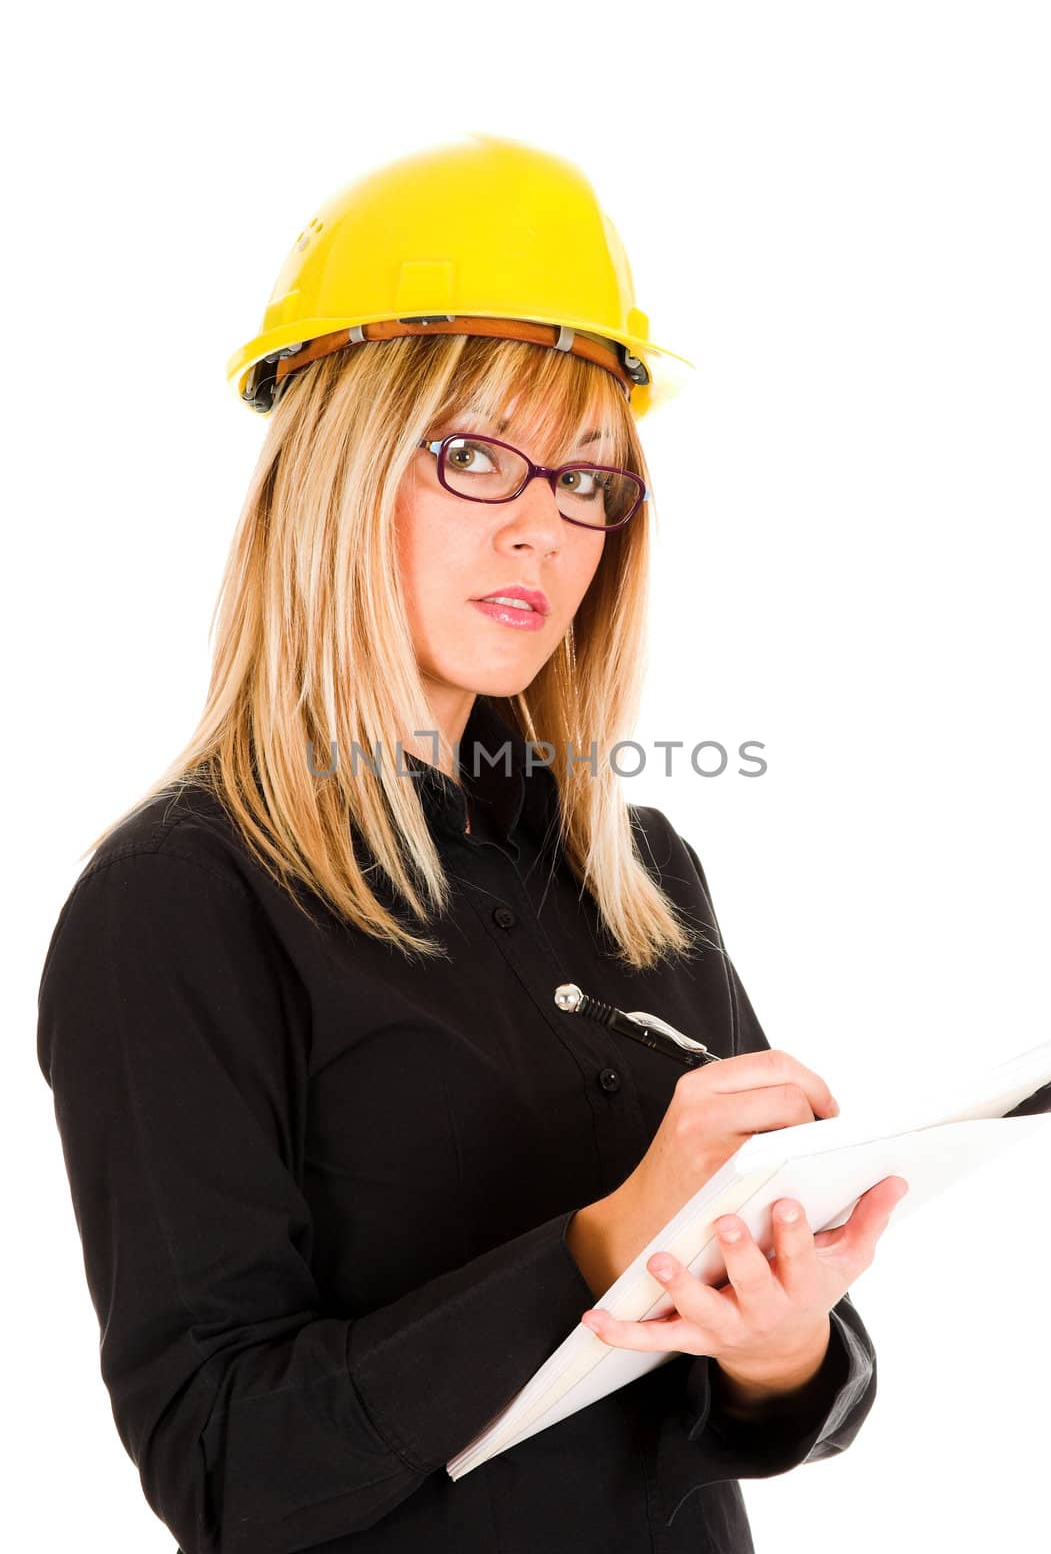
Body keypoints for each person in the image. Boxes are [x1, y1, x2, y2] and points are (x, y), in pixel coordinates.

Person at [36, 133, 906, 1554]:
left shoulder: (642, 872)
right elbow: (224, 1467)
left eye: (584, 476)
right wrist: (597, 1248)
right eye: (472, 457)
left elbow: (777, 1392)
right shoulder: (179, 903)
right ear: (335, 464)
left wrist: (778, 1345)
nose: (544, 532)